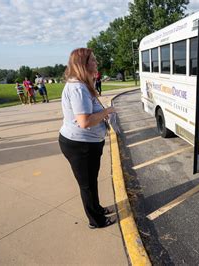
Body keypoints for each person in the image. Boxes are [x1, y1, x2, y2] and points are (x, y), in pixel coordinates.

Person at [58, 48, 116, 229]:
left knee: (91, 182)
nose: (97, 63)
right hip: (80, 145)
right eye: (93, 60)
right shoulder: (78, 88)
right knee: (87, 185)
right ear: (83, 64)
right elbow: (84, 121)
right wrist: (106, 112)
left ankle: (97, 209)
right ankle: (96, 221)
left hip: (87, 144)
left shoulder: (83, 84)